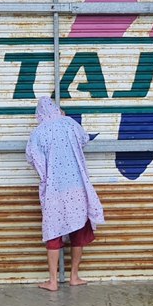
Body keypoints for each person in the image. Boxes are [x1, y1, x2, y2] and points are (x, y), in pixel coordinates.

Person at [25, 96, 105, 291]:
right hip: (77, 186)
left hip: (54, 189)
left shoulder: (38, 132)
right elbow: (84, 139)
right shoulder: (69, 124)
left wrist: (46, 175)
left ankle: (52, 281)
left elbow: (32, 157)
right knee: (78, 231)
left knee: (54, 233)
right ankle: (74, 277)